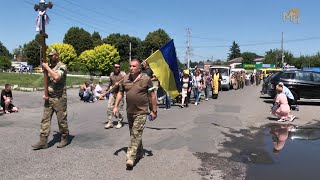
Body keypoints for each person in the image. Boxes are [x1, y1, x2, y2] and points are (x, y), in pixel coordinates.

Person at [113, 59, 157, 169]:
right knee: (134, 134)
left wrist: (154, 110)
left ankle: (130, 157)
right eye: (130, 66)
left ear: (139, 68)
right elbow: (120, 92)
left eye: (134, 66)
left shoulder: (146, 79)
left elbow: (152, 96)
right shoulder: (125, 79)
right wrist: (115, 106)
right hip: (130, 111)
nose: (131, 68)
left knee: (135, 134)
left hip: (141, 112)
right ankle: (140, 152)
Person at [32, 49, 70, 150]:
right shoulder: (49, 67)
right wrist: (45, 93)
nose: (50, 57)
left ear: (57, 56)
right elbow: (46, 81)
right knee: (45, 119)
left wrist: (47, 67)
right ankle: (43, 141)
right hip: (49, 98)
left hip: (59, 98)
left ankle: (64, 138)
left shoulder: (62, 66)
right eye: (49, 56)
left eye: (52, 56)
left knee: (61, 120)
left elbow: (57, 77)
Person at [105, 63, 126, 129]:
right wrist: (105, 90)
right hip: (112, 93)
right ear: (113, 68)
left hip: (120, 93)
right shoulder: (111, 74)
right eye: (116, 67)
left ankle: (120, 122)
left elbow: (126, 83)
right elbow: (109, 83)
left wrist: (119, 84)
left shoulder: (123, 74)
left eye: (119, 67)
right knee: (109, 107)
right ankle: (110, 122)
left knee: (119, 109)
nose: (117, 68)